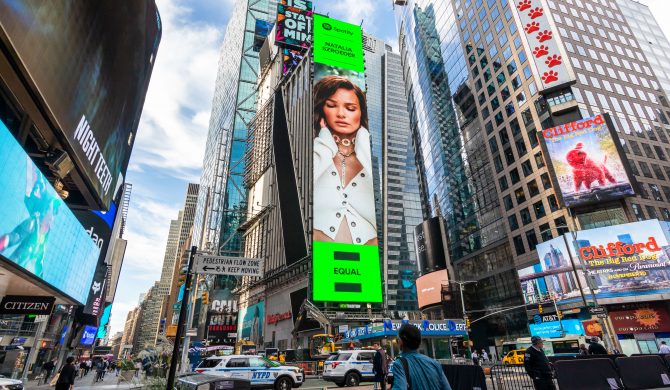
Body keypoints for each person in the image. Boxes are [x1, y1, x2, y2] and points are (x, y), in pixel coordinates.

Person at [313, 75, 377, 246]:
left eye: (350, 108)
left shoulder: (370, 158)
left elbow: (384, 203)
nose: (341, 114)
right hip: (320, 262)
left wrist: (364, 141)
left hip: (366, 264)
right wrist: (325, 141)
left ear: (361, 112)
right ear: (322, 109)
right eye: (332, 105)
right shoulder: (315, 150)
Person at [390, 324, 452, 390]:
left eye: (397, 340)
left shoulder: (399, 364)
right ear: (419, 344)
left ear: (400, 342)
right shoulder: (435, 364)